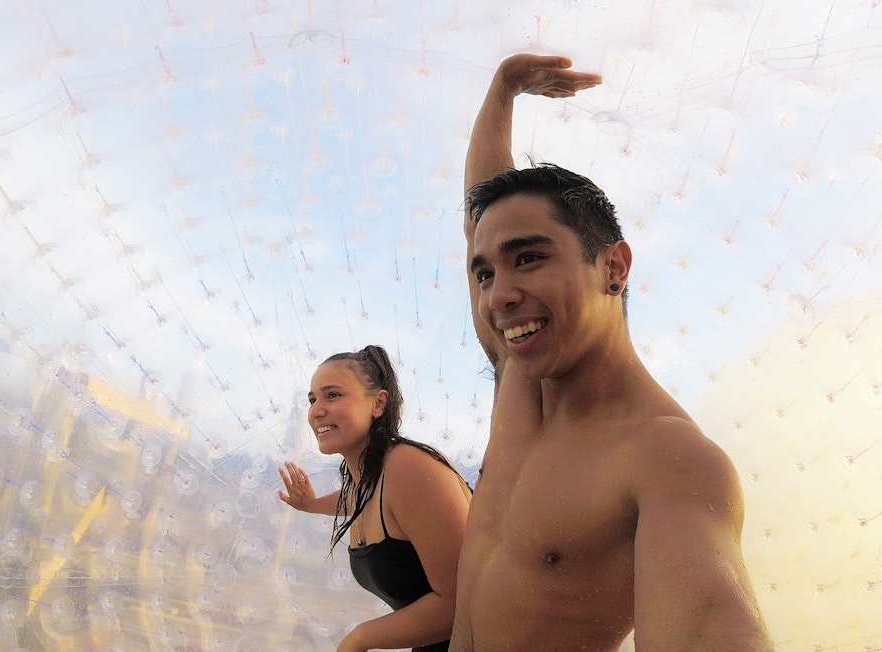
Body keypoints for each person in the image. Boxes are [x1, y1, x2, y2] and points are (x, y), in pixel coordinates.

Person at [450, 54, 774, 651]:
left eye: (529, 258)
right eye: (485, 275)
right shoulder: (520, 384)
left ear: (614, 268)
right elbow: (481, 219)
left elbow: (710, 624)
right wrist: (503, 88)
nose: (500, 296)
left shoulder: (665, 457)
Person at [278, 345, 473, 652]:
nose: (316, 411)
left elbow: (465, 601)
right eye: (312, 399)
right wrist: (310, 505)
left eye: (333, 395)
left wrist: (359, 638)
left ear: (378, 403)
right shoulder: (370, 483)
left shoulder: (408, 467)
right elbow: (358, 501)